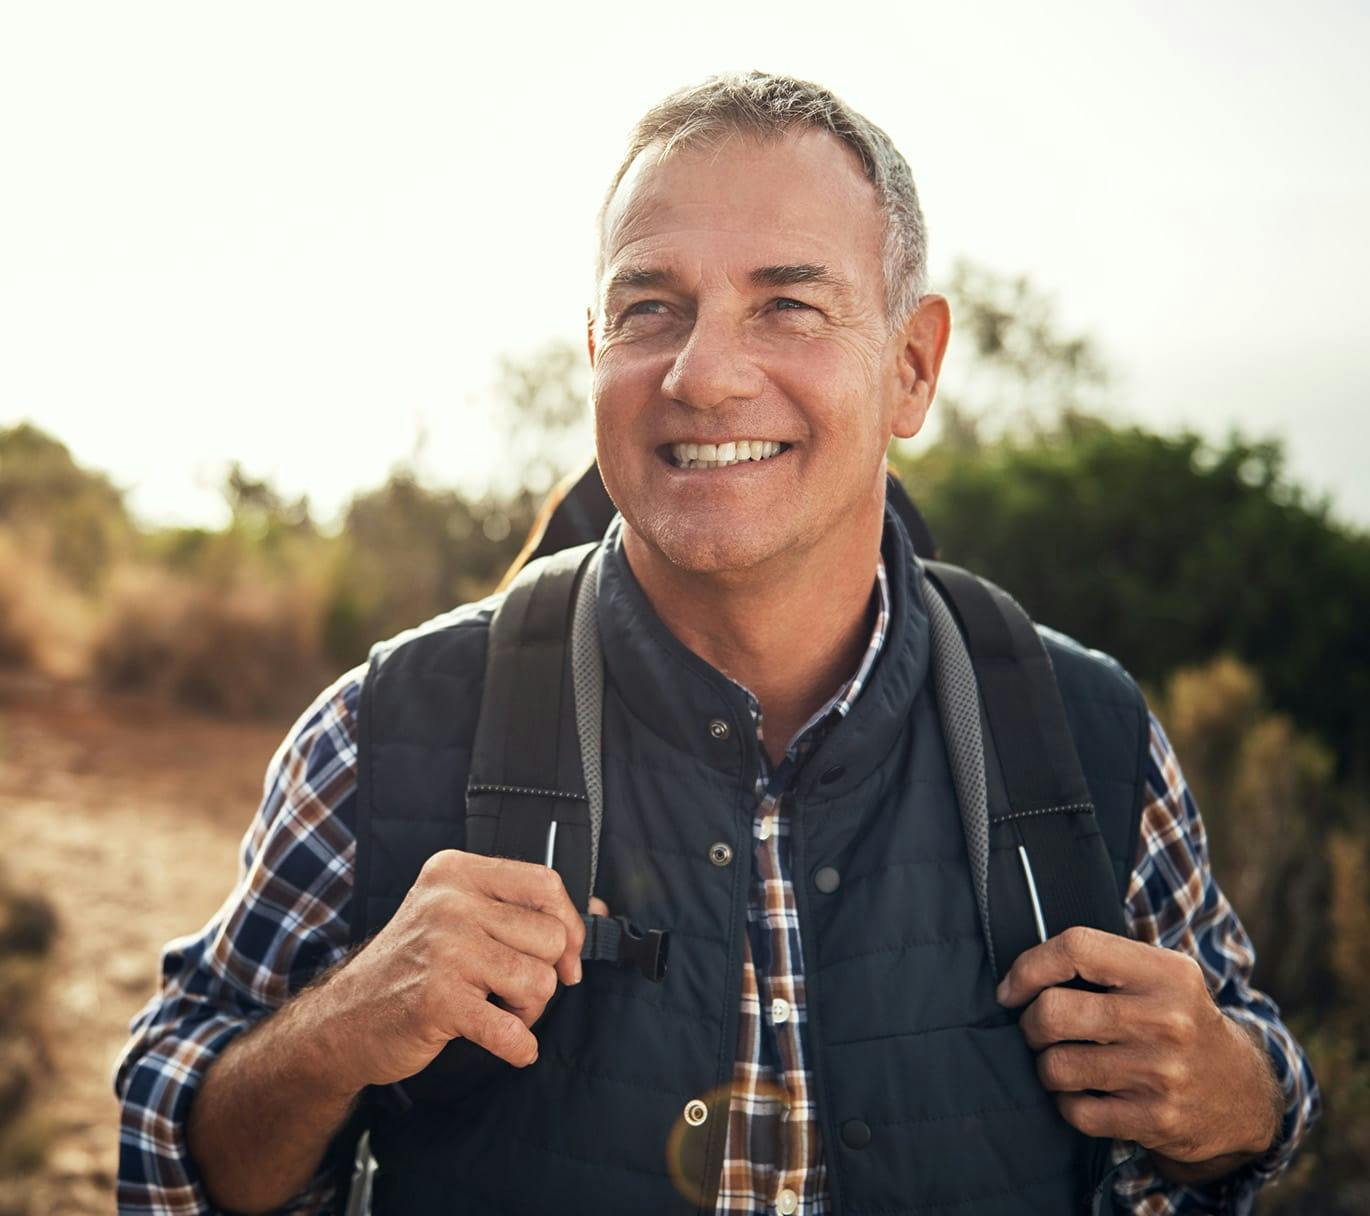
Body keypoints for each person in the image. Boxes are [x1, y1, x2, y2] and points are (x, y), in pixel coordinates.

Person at [114, 71, 1318, 1215]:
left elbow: (1246, 1103)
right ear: (595, 351)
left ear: (910, 364)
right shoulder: (380, 729)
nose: (701, 373)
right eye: (652, 308)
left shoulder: (1087, 731)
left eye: (786, 304)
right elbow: (177, 1156)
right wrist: (338, 1030)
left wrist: (1239, 1095)